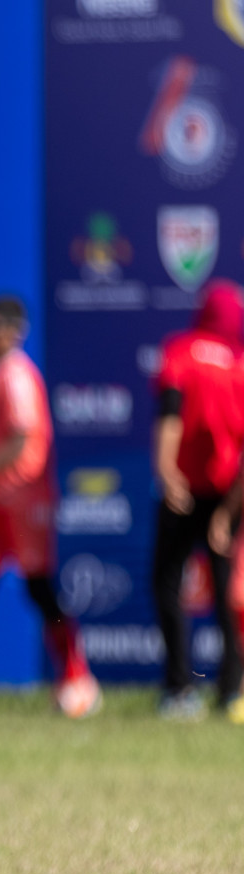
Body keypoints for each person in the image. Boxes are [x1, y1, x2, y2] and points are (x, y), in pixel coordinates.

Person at [0, 297, 100, 717]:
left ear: (15, 330)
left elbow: (20, 441)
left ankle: (78, 678)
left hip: (23, 499)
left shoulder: (16, 375)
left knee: (39, 588)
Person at [150, 281, 244, 719]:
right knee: (231, 595)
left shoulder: (178, 351)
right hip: (228, 491)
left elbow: (170, 414)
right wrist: (227, 513)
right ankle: (232, 692)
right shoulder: (240, 365)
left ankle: (180, 691)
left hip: (182, 488)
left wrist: (166, 472)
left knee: (167, 584)